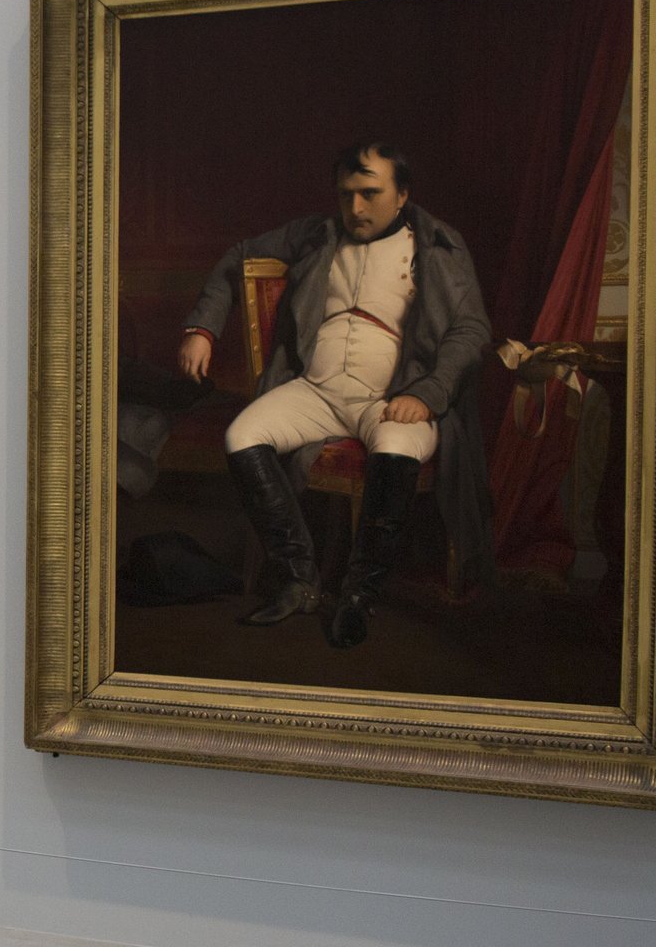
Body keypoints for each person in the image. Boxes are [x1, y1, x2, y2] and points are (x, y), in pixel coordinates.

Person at [178, 141, 493, 648]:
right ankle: (300, 578)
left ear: (403, 194)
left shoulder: (437, 246)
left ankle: (357, 597)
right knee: (241, 435)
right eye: (347, 195)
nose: (356, 208)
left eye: (371, 193)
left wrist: (429, 394)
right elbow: (238, 255)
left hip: (390, 398)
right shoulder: (317, 234)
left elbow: (471, 331)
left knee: (395, 447)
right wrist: (202, 329)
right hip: (315, 391)